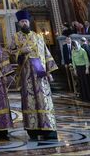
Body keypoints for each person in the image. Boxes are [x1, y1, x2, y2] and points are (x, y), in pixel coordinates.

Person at [10, 10, 58, 140]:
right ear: (19, 23)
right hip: (27, 77)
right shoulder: (15, 38)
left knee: (44, 100)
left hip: (40, 76)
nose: (24, 23)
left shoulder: (38, 37)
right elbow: (11, 54)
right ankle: (33, 129)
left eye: (25, 21)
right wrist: (21, 52)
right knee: (30, 101)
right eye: (22, 21)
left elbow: (46, 54)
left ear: (28, 22)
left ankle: (49, 129)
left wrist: (49, 72)